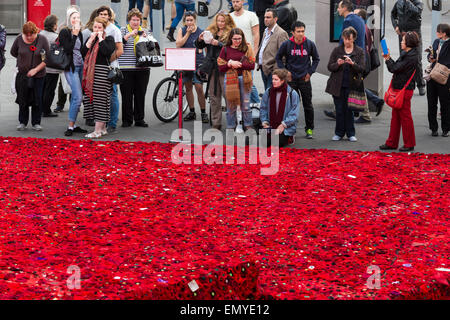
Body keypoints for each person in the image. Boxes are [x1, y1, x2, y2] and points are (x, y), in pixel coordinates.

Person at [276, 20, 320, 139]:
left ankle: (309, 129)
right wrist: (285, 72)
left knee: (308, 105)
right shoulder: (287, 44)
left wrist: (310, 72)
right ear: (293, 33)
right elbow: (278, 58)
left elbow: (316, 59)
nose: (301, 34)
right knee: (290, 106)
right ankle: (291, 129)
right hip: (291, 79)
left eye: (302, 31)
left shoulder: (309, 44)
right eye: (298, 31)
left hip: (304, 79)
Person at [324, 0, 366, 121]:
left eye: (339, 7)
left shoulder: (348, 21)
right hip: (359, 57)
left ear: (345, 8)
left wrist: (338, 58)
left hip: (349, 59)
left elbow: (344, 42)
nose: (337, 9)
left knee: (340, 84)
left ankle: (341, 114)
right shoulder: (359, 19)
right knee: (356, 86)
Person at [379, 32, 420, 152]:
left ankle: (409, 143)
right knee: (396, 117)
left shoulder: (411, 56)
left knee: (405, 117)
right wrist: (389, 58)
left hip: (404, 90)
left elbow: (394, 68)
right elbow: (396, 66)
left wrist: (387, 59)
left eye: (403, 40)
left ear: (409, 43)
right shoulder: (408, 53)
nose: (401, 42)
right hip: (401, 88)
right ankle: (392, 142)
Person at [196, 12, 236, 130]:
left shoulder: (232, 32)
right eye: (218, 21)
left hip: (225, 67)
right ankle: (216, 123)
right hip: (212, 67)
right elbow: (199, 46)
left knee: (228, 96)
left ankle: (231, 123)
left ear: (227, 22)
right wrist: (200, 39)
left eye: (223, 21)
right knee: (213, 96)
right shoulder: (211, 31)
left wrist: (218, 43)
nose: (220, 23)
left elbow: (233, 48)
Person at [325, 27, 365, 142]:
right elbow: (329, 66)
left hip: (352, 85)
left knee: (350, 110)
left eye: (349, 39)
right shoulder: (337, 50)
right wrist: (337, 64)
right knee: (339, 109)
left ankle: (351, 133)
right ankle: (339, 133)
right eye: (345, 39)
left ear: (354, 39)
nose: (347, 41)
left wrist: (353, 64)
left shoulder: (359, 51)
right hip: (338, 85)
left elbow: (362, 68)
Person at [11, 21, 50, 131]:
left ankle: (36, 122)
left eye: (31, 34)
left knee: (37, 99)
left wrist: (35, 69)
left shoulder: (42, 40)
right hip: (22, 75)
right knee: (22, 98)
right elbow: (13, 52)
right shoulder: (19, 39)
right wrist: (22, 61)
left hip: (39, 75)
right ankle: (22, 121)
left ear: (36, 32)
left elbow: (47, 58)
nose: (28, 37)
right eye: (26, 34)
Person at [81, 17, 116, 139]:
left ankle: (97, 131)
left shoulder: (109, 39)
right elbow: (83, 52)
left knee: (101, 101)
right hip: (91, 72)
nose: (96, 29)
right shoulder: (91, 39)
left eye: (99, 27)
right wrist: (90, 40)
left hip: (102, 73)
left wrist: (101, 38)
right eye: (95, 27)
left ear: (104, 28)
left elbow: (106, 51)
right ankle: (102, 129)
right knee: (94, 101)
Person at [218, 28, 256, 130]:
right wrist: (230, 64)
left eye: (239, 39)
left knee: (246, 105)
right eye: (235, 39)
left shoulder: (247, 47)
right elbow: (221, 66)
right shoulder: (225, 49)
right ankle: (231, 126)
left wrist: (237, 64)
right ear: (230, 38)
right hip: (230, 79)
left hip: (245, 79)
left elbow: (252, 65)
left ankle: (248, 125)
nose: (237, 41)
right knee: (231, 105)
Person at [59, 6, 88, 136]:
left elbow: (80, 51)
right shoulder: (65, 32)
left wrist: (89, 43)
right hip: (71, 68)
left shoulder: (80, 32)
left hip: (80, 65)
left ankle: (74, 124)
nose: (76, 20)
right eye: (73, 18)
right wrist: (75, 34)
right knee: (77, 96)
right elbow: (68, 49)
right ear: (69, 19)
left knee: (77, 97)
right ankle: (70, 127)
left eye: (77, 18)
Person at [119, 9, 151, 128]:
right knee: (126, 95)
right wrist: (128, 35)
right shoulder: (122, 30)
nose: (136, 22)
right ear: (129, 20)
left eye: (138, 20)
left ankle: (139, 119)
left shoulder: (145, 31)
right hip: (126, 68)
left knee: (140, 94)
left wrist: (146, 38)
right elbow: (118, 46)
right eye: (133, 20)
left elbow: (151, 49)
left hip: (142, 69)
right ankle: (127, 120)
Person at [175, 11, 208, 123]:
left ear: (195, 20)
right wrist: (187, 34)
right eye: (187, 20)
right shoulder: (182, 30)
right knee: (188, 87)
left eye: (191, 20)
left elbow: (206, 48)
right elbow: (179, 44)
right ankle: (192, 111)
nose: (189, 22)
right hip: (185, 62)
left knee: (199, 88)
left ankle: (203, 112)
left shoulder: (201, 32)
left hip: (198, 62)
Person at [96, 6, 124, 134]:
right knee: (101, 95)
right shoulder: (96, 26)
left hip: (111, 66)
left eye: (105, 14)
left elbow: (120, 50)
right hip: (98, 67)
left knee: (112, 95)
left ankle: (112, 122)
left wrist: (108, 61)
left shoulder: (114, 30)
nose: (103, 16)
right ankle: (102, 122)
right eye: (101, 14)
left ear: (109, 16)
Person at [354, 8, 384, 123]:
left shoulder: (361, 28)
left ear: (360, 17)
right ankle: (375, 101)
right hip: (367, 62)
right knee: (356, 85)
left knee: (356, 86)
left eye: (355, 15)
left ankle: (366, 113)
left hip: (363, 63)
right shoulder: (366, 28)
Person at [230, 0, 261, 109]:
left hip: (248, 54)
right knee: (236, 83)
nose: (235, 4)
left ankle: (257, 105)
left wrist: (255, 52)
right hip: (233, 55)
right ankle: (242, 108)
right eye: (233, 2)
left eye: (237, 1)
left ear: (242, 2)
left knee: (249, 83)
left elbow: (256, 35)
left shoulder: (251, 15)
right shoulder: (229, 17)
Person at [391, 0, 426, 96]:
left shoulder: (418, 3)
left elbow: (416, 11)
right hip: (403, 33)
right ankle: (407, 84)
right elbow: (393, 14)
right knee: (404, 58)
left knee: (417, 59)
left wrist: (407, 1)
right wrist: (396, 26)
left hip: (415, 35)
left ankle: (421, 84)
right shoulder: (398, 2)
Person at [260, 68, 299, 147]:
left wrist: (283, 125)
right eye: (272, 79)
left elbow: (294, 114)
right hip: (270, 125)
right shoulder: (268, 91)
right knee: (264, 143)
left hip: (285, 127)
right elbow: (263, 108)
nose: (273, 81)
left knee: (277, 143)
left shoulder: (292, 93)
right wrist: (265, 123)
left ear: (282, 81)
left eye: (276, 79)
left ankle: (291, 136)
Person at [426, 23, 450, 137]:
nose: (436, 33)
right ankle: (433, 128)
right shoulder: (436, 42)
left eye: (438, 31)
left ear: (444, 33)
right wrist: (430, 58)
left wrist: (441, 65)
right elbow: (431, 55)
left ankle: (446, 128)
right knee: (431, 103)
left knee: (445, 103)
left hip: (444, 76)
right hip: (432, 76)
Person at [257, 8, 289, 90]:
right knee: (268, 93)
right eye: (265, 17)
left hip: (273, 71)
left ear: (275, 19)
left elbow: (284, 55)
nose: (265, 19)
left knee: (271, 94)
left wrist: (275, 70)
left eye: (268, 17)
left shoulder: (281, 33)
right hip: (264, 68)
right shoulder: (265, 31)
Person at [39, 15, 60, 118]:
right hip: (52, 68)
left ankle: (40, 108)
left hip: (41, 67)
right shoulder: (55, 37)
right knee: (50, 90)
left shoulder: (40, 34)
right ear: (53, 25)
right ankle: (46, 110)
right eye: (56, 23)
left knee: (42, 88)